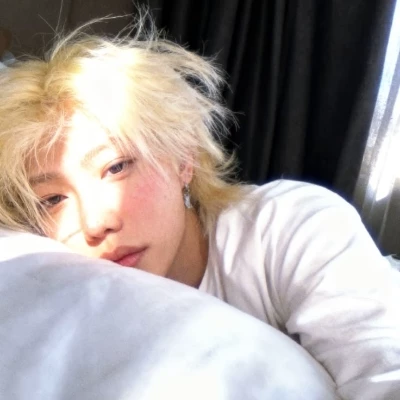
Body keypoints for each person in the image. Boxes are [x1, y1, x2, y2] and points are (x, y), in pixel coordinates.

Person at [0, 17, 399, 400]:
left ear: (184, 158)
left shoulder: (293, 225)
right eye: (52, 199)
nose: (95, 223)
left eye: (117, 167)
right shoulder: (63, 297)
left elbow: (385, 368)